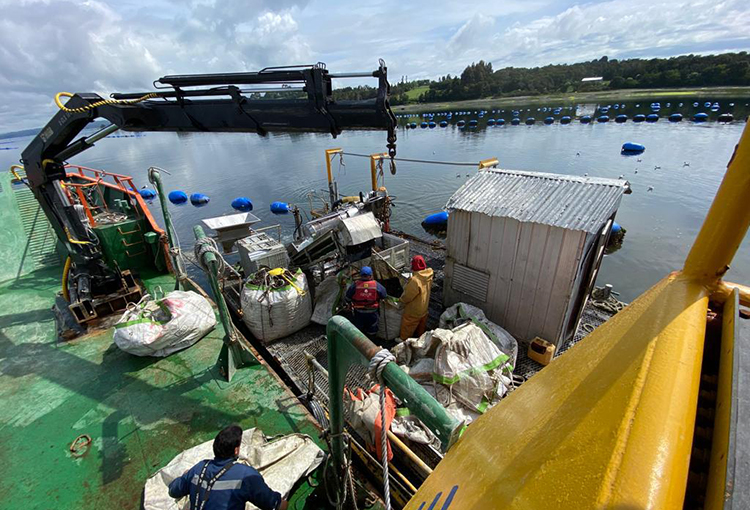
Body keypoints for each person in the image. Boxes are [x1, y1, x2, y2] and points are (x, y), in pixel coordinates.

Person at [168, 425, 288, 510]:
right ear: (236, 450)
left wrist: (186, 475)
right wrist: (284, 504)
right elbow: (273, 505)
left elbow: (173, 491)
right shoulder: (246, 475)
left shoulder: (199, 468)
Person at [399, 255, 434, 340]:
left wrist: (401, 301)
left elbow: (408, 296)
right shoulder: (429, 274)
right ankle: (420, 338)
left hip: (414, 309)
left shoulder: (415, 280)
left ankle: (403, 339)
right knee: (421, 323)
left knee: (408, 324)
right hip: (424, 306)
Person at [345, 266, 387, 336]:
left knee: (359, 328)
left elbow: (348, 297)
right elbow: (384, 295)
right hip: (372, 311)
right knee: (372, 327)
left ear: (361, 275)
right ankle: (371, 340)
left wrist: (348, 303)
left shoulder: (355, 285)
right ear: (370, 275)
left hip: (359, 311)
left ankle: (359, 341)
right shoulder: (376, 285)